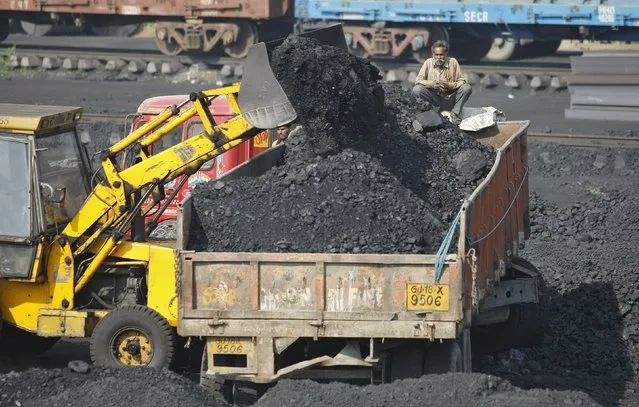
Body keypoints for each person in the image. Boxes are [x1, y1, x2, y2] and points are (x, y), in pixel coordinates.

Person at [411, 40, 472, 125]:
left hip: (451, 99)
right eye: (437, 55)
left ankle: (455, 114)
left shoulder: (453, 62)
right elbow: (418, 80)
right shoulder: (428, 63)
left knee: (467, 87)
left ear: (445, 54)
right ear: (433, 55)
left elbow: (462, 81)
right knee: (417, 90)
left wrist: (450, 85)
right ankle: (430, 112)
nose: (439, 57)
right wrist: (432, 84)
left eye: (441, 55)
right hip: (435, 99)